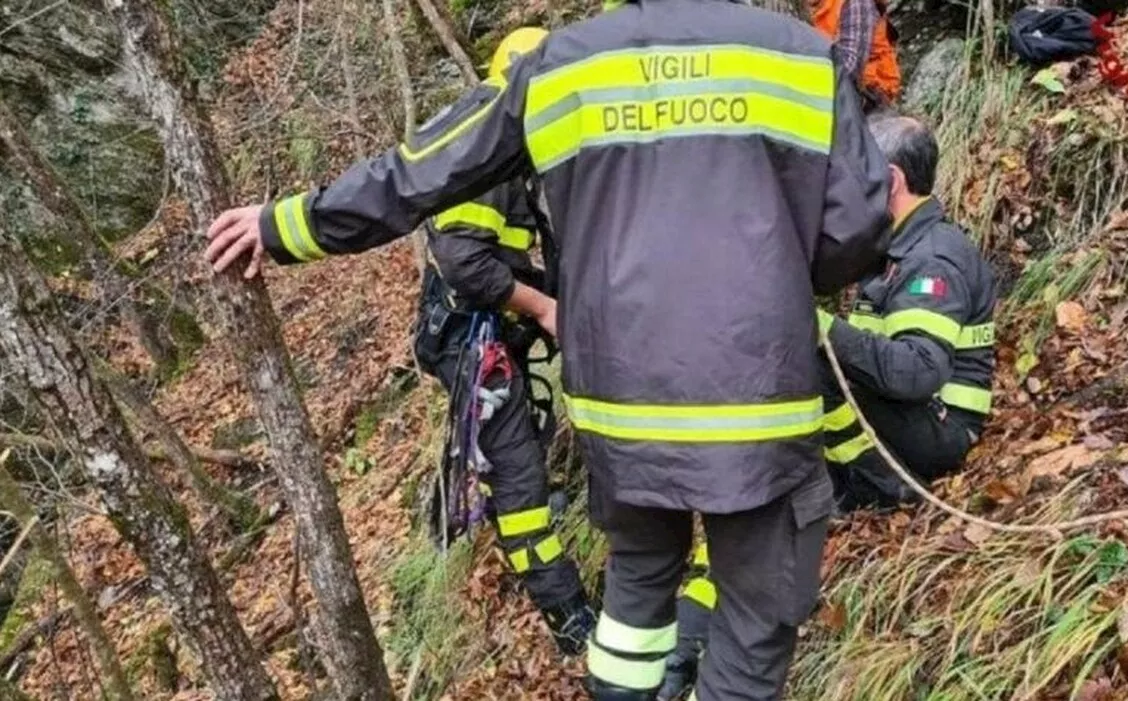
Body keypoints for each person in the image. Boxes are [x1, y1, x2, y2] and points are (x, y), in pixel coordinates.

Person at [202, 0, 893, 697]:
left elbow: (424, 170)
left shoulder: (561, 67)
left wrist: (287, 223)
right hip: (756, 398)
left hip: (620, 408)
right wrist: (774, 274)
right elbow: (859, 224)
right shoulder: (797, 55)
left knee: (637, 589)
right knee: (754, 614)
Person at [658, 112, 996, 700]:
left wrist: (817, 326)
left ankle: (855, 483)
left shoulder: (934, 258)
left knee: (804, 359)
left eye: (854, 175)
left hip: (936, 434)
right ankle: (683, 651)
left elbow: (916, 373)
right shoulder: (894, 247)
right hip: (892, 426)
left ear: (888, 181)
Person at [412, 27, 597, 657]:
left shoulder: (499, 137)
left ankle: (446, 515)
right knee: (517, 478)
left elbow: (507, 254)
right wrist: (546, 306)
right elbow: (463, 259)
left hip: (483, 326)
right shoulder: (489, 143)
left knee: (508, 448)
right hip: (472, 338)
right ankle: (568, 615)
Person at [809, 0, 903, 106]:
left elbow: (850, 69)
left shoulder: (857, 3)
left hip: (869, 95)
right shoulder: (803, 8)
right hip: (829, 85)